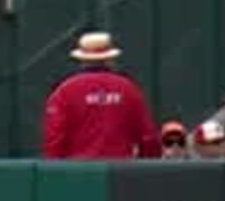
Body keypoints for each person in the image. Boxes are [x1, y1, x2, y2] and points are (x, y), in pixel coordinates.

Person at [38, 31, 160, 159]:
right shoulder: (128, 89)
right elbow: (148, 138)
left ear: (81, 59)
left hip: (77, 171)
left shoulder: (64, 91)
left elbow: (54, 138)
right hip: (120, 171)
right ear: (110, 59)